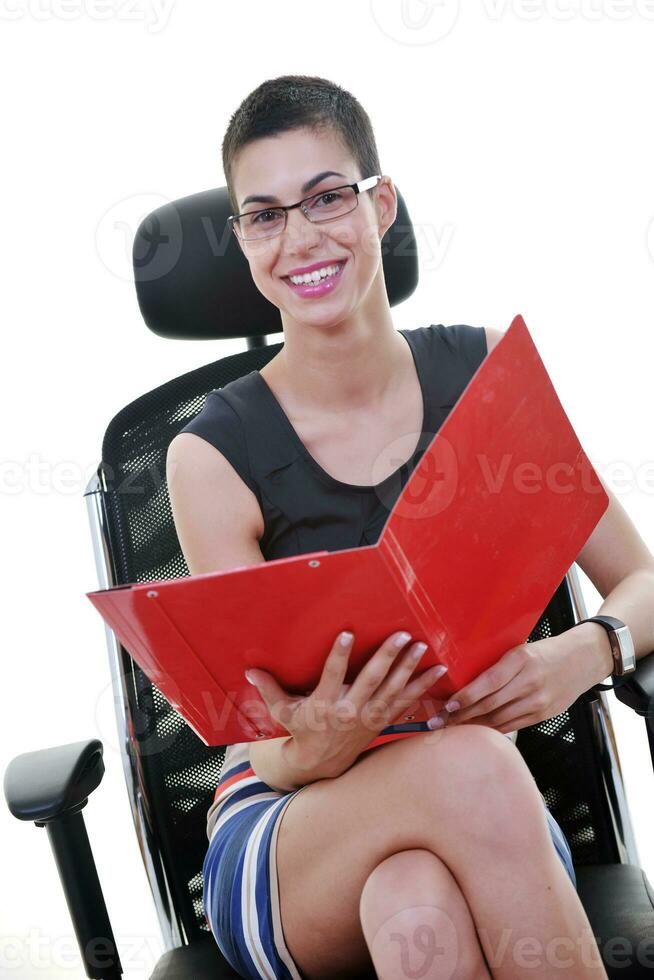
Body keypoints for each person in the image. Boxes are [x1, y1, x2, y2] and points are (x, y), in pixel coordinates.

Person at [168, 74, 650, 980]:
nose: (300, 238)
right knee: (470, 769)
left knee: (415, 909)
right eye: (265, 215)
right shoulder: (208, 455)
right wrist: (321, 740)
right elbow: (258, 745)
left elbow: (645, 579)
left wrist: (583, 654)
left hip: (478, 806)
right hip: (291, 827)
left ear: (380, 203)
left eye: (325, 199)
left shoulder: (480, 375)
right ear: (241, 241)